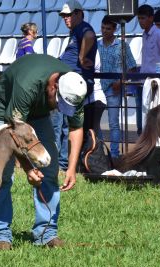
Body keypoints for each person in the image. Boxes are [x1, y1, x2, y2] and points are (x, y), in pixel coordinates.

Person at [0, 54, 87, 249]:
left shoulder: (74, 88)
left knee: (49, 168)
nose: (60, 108)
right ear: (53, 87)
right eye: (59, 103)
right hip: (5, 114)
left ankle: (46, 233)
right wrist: (28, 169)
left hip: (37, 114)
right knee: (3, 174)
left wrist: (71, 168)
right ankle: (1, 234)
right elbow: (15, 133)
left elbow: (76, 128)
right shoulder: (28, 85)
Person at [54, 0, 97, 171]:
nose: (66, 18)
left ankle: (64, 165)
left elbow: (90, 36)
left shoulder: (83, 28)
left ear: (79, 14)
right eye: (64, 16)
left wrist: (81, 57)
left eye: (69, 15)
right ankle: (62, 163)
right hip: (68, 83)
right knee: (64, 125)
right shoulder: (75, 31)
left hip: (73, 85)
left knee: (68, 125)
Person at [98, 15, 137, 158]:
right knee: (96, 122)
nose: (104, 31)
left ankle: (114, 154)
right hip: (98, 87)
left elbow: (132, 67)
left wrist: (120, 81)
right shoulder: (96, 44)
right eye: (103, 28)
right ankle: (100, 151)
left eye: (108, 28)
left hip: (114, 89)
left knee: (113, 123)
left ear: (114, 29)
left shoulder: (122, 46)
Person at [136, 4, 160, 134]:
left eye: (143, 18)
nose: (140, 21)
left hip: (155, 82)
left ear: (151, 18)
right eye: (139, 18)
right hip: (143, 81)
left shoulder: (159, 34)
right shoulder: (144, 35)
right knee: (143, 115)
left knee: (154, 114)